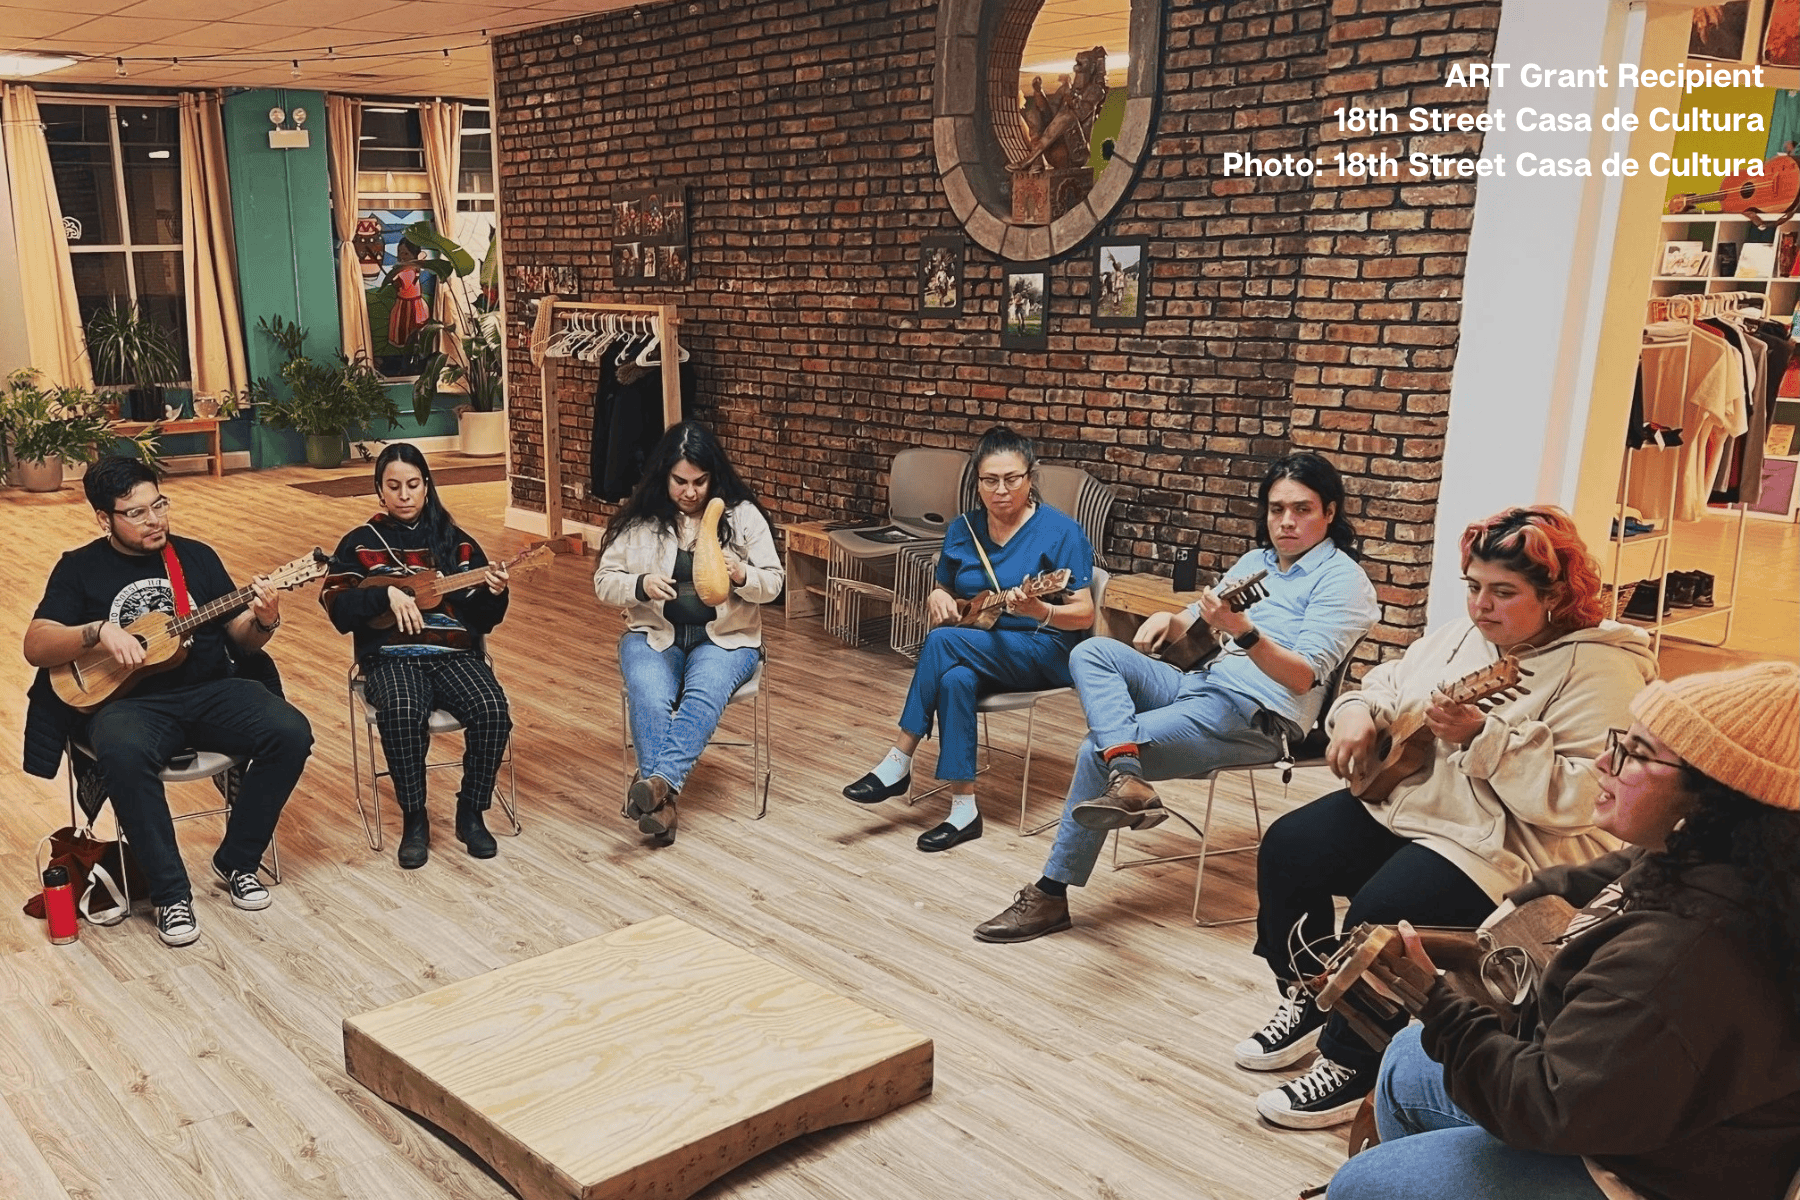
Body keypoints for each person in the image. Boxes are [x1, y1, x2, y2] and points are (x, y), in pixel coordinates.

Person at [1235, 506, 1659, 1131]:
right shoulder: (1464, 638)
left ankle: (1356, 1060)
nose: (1482, 606)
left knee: (1382, 909)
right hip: (1409, 804)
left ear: (1556, 596)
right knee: (1290, 846)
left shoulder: (1605, 667)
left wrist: (1486, 738)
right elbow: (1389, 682)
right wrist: (1354, 709)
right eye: (1474, 586)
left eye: (1503, 592)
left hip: (1504, 842)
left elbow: (1579, 798)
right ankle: (1311, 995)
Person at [1326, 661, 1800, 1200]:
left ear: (1715, 802)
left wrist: (1438, 1003)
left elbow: (1548, 1106)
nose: (1603, 761)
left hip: (1655, 1173)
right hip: (1632, 1110)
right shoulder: (1727, 858)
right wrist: (1540, 889)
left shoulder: (1679, 959)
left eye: (1634, 754)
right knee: (1408, 1058)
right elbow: (1624, 871)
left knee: (1363, 1187)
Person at [973, 451, 1378, 940]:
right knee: (1095, 651)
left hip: (1257, 717)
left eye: (1302, 509)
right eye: (1276, 509)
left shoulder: (1343, 582)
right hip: (1198, 684)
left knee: (1094, 749)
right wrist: (1175, 618)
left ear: (1330, 512)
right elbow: (1199, 616)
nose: (1286, 522)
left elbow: (1301, 678)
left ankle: (1052, 892)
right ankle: (1129, 775)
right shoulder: (1258, 562)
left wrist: (1245, 634)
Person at [21, 456, 313, 947]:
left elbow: (240, 640)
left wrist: (263, 619)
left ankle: (237, 860)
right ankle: (170, 893)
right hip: (129, 706)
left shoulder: (195, 557)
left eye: (158, 504)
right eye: (135, 512)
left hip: (211, 689)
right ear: (104, 519)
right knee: (122, 752)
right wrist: (97, 631)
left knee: (290, 732)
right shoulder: (80, 568)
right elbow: (36, 643)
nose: (154, 519)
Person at [841, 426, 1095, 851]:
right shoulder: (965, 529)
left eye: (1011, 478)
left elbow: (1085, 613)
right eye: (989, 480)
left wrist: (1042, 609)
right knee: (954, 678)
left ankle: (899, 759)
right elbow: (945, 591)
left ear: (1030, 477)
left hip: (1044, 647)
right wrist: (938, 596)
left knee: (942, 644)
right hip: (982, 644)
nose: (1000, 490)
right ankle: (964, 811)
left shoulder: (1061, 531)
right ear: (976, 482)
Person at [321, 444, 513, 869]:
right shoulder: (359, 544)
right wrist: (385, 595)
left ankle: (471, 810)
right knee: (403, 710)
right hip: (390, 658)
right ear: (379, 491)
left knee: (493, 709)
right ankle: (415, 819)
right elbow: (337, 606)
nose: (404, 495)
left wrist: (494, 593)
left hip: (454, 655)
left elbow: (484, 620)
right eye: (394, 486)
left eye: (412, 484)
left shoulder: (457, 544)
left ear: (427, 486)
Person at [594, 421, 784, 843]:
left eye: (700, 482)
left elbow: (774, 584)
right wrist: (640, 585)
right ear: (664, 475)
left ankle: (656, 785)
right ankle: (662, 804)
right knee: (648, 691)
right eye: (680, 481)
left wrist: (741, 575)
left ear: (713, 476)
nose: (690, 491)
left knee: (704, 691)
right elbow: (604, 581)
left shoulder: (742, 516)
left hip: (727, 639)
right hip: (653, 633)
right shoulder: (641, 519)